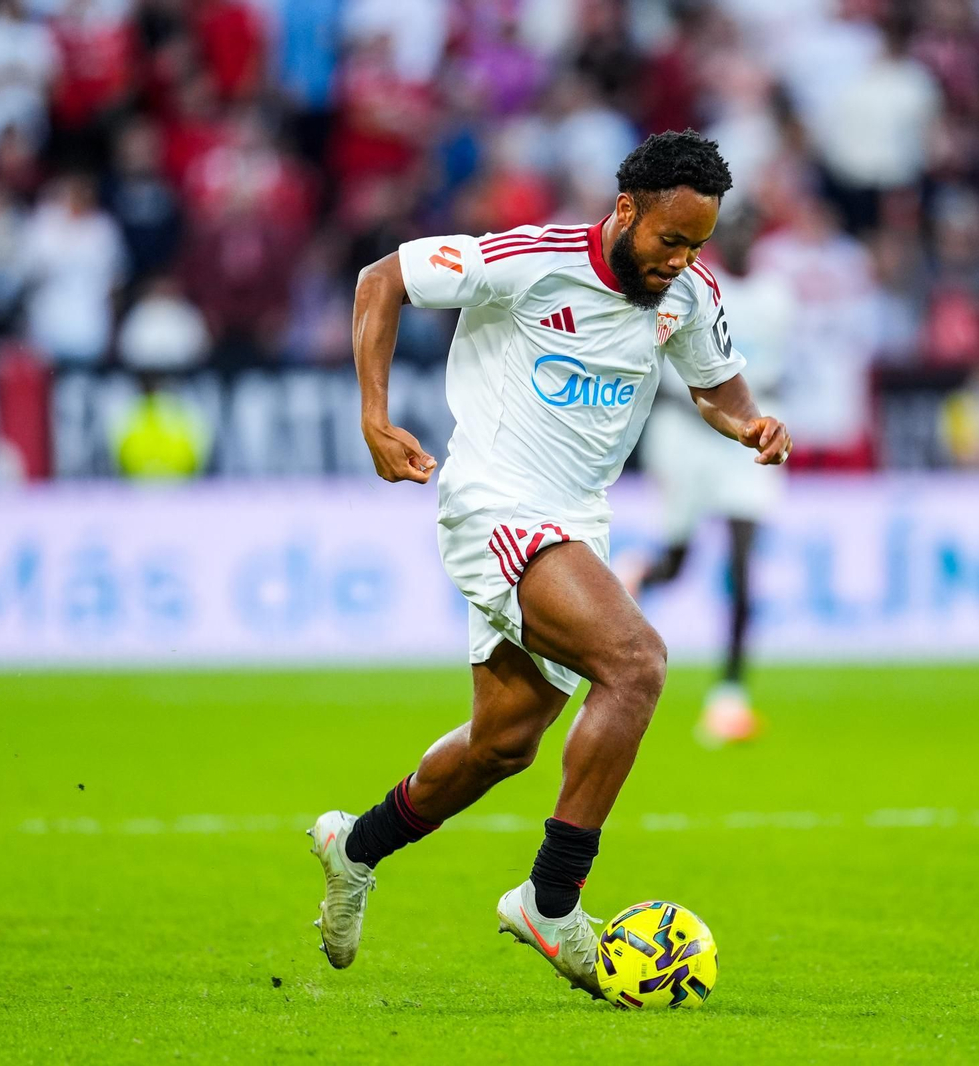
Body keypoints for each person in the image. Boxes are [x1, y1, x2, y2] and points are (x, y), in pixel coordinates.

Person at [308, 131, 791, 996]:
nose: (680, 261)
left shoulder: (688, 295)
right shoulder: (529, 260)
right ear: (626, 210)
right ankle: (551, 898)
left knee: (503, 745)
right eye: (668, 240)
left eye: (697, 245)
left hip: (577, 522)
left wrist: (749, 424)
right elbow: (380, 279)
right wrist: (375, 418)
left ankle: (355, 845)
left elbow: (717, 387)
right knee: (637, 664)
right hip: (495, 502)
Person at [626, 214, 795, 746]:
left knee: (744, 564)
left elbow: (773, 368)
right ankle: (638, 577)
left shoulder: (778, 298)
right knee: (678, 564)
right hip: (686, 429)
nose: (743, 243)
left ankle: (730, 695)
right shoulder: (694, 289)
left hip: (746, 430)